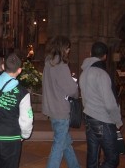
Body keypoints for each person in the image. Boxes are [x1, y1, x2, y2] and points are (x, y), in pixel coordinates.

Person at [79, 42, 123, 168]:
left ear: (90, 54)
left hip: (89, 118)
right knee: (112, 158)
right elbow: (110, 104)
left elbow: (84, 99)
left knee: (92, 156)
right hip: (103, 120)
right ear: (105, 56)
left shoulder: (84, 72)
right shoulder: (101, 74)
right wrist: (117, 121)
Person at [42, 36, 81, 168]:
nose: (69, 50)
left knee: (65, 143)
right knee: (58, 146)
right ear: (63, 48)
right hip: (61, 110)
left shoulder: (48, 63)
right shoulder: (61, 66)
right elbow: (71, 90)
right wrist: (76, 89)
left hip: (52, 108)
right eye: (68, 48)